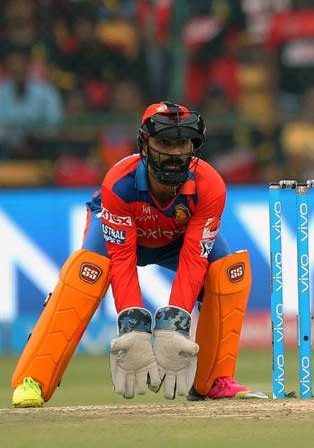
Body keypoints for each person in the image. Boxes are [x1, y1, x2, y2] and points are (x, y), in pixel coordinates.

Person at [12, 101, 267, 407]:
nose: (174, 153)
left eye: (182, 143)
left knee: (228, 272)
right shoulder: (119, 183)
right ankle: (34, 379)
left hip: (178, 238)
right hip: (122, 236)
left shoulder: (209, 185)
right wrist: (134, 328)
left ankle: (214, 381)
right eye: (165, 143)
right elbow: (122, 260)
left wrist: (174, 326)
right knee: (85, 273)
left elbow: (194, 259)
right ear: (145, 146)